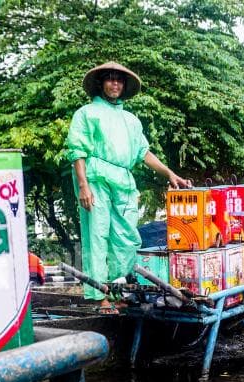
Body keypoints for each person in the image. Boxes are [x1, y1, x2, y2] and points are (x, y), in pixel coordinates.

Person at [66, 61, 192, 314]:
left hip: (123, 180)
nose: (115, 84)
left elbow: (143, 152)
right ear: (101, 83)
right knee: (98, 236)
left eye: (119, 80)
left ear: (124, 86)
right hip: (96, 177)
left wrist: (170, 173)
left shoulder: (131, 120)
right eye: (110, 79)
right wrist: (83, 185)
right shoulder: (87, 113)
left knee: (125, 239)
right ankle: (102, 298)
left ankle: (117, 293)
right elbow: (77, 150)